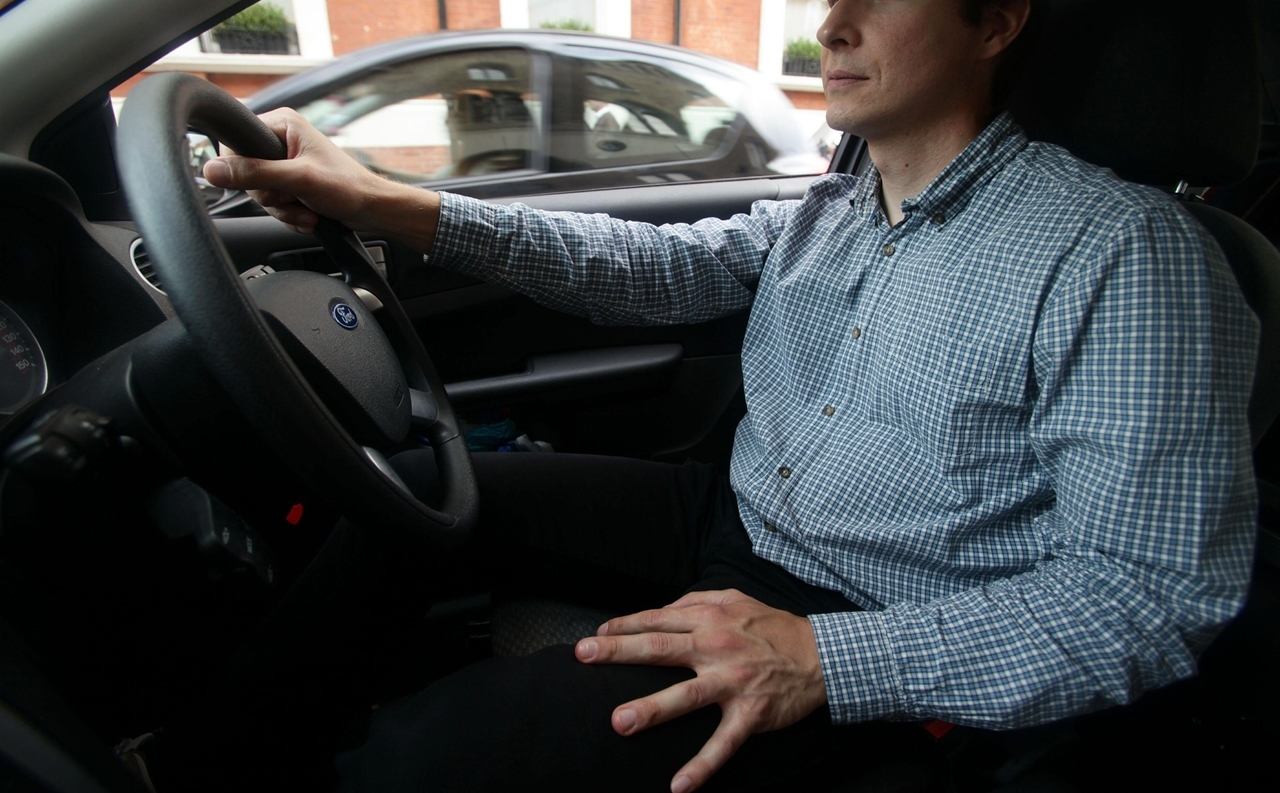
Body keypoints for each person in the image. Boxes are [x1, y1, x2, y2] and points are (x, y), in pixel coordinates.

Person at [190, 0, 1259, 791]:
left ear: (995, 22)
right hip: (732, 520)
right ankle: (219, 756)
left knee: (437, 759)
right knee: (418, 497)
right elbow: (640, 267)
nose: (831, 23)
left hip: (875, 620)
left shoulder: (1127, 256)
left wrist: (819, 657)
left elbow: (1146, 591)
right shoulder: (837, 203)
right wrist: (377, 197)